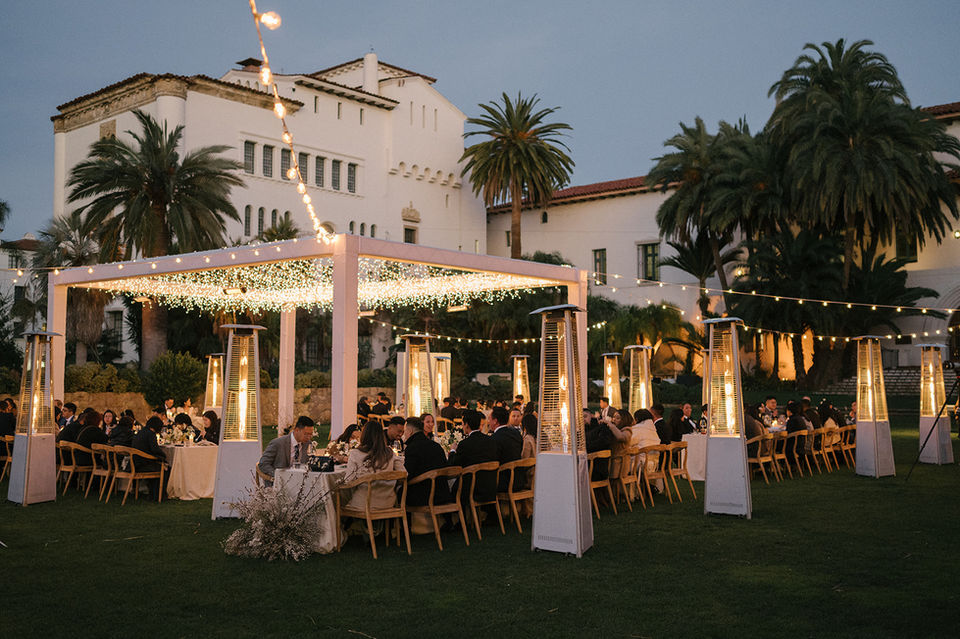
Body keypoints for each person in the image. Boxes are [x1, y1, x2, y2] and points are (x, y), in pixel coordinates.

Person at [342, 420, 403, 510]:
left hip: (364, 503)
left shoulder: (356, 453)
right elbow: (403, 473)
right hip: (388, 503)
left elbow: (348, 480)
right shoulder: (390, 452)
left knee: (339, 498)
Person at [448, 409, 498, 503]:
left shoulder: (465, 444)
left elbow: (454, 466)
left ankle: (457, 516)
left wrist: (453, 451)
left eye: (463, 423)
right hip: (490, 487)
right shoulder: (491, 441)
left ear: (466, 425)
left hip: (471, 490)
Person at [402, 416, 450, 507]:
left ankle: (405, 521)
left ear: (410, 431)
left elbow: (408, 474)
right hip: (442, 493)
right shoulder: (436, 446)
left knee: (399, 492)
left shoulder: (412, 448)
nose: (404, 434)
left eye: (405, 431)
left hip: (424, 496)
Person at [257, 416, 316, 482]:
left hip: (300, 482)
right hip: (280, 483)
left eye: (310, 434)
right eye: (306, 434)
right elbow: (263, 464)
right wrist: (278, 475)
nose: (308, 437)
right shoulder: (278, 443)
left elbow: (311, 463)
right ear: (297, 430)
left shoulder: (308, 444)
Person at [131, 416, 169, 500]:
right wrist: (164, 456)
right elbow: (155, 449)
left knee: (160, 465)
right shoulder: (150, 434)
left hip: (135, 463)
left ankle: (153, 493)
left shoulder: (141, 432)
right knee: (166, 468)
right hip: (143, 464)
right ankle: (159, 495)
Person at [488, 405, 522, 490]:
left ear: (495, 421)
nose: (488, 422)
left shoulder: (494, 438)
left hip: (504, 482)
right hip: (519, 479)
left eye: (490, 419)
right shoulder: (516, 434)